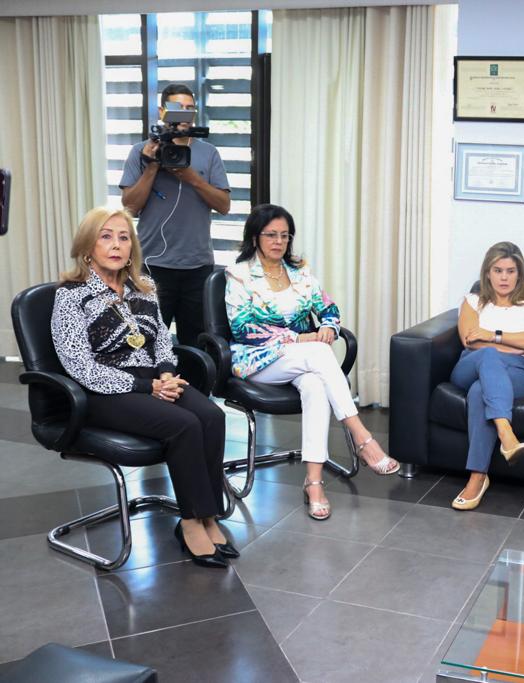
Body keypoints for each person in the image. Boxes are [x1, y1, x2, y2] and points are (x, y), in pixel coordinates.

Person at [51, 207, 232, 569]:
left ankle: (208, 514)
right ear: (88, 246)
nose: (116, 245)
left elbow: (161, 337)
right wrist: (146, 386)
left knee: (211, 416)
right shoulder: (70, 296)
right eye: (106, 236)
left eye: (123, 237)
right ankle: (191, 521)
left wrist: (165, 373)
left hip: (152, 379)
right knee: (184, 425)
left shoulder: (143, 288)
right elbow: (80, 366)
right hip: (104, 390)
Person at [225, 204, 401, 521]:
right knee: (320, 353)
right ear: (255, 237)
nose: (278, 241)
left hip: (301, 360)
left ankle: (314, 483)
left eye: (284, 235)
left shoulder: (301, 274)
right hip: (258, 361)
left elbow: (329, 309)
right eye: (271, 235)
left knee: (316, 385)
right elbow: (243, 329)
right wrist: (300, 339)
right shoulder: (238, 276)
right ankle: (362, 437)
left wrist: (327, 327)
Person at [120, 83, 231, 348]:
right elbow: (129, 207)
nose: (184, 114)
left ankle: (193, 389)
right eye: (176, 109)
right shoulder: (141, 151)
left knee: (196, 343)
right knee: (146, 341)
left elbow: (224, 205)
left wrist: (192, 178)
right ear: (162, 111)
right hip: (151, 264)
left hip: (197, 265)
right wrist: (152, 167)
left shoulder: (208, 152)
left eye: (189, 109)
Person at [450, 242, 524, 511]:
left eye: (511, 271)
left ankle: (477, 477)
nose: (504, 277)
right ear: (487, 272)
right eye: (498, 270)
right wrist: (516, 344)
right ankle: (507, 434)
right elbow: (470, 342)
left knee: (480, 392)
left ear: (519, 274)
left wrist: (492, 336)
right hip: (471, 366)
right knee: (489, 356)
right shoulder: (472, 302)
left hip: (517, 374)